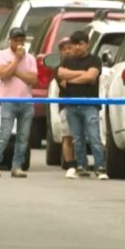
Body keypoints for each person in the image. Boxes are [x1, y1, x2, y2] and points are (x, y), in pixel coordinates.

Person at [56, 30, 107, 180]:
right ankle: (82, 166)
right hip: (71, 104)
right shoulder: (66, 60)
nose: (77, 47)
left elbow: (91, 76)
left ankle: (100, 167)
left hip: (90, 104)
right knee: (77, 139)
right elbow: (60, 74)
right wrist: (82, 74)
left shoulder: (95, 60)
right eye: (74, 44)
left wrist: (71, 77)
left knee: (94, 137)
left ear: (87, 45)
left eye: (81, 44)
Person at [0, 27, 37, 178]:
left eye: (21, 40)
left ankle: (17, 166)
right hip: (8, 101)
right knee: (5, 134)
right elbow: (3, 75)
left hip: (26, 102)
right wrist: (16, 60)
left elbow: (33, 80)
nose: (19, 43)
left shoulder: (30, 58)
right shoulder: (2, 56)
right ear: (10, 41)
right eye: (16, 40)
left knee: (23, 137)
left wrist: (15, 71)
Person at [55, 37, 76, 173]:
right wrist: (83, 76)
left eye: (69, 48)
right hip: (66, 105)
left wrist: (72, 76)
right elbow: (64, 84)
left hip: (84, 103)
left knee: (81, 137)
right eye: (64, 49)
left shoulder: (84, 63)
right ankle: (70, 164)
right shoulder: (59, 68)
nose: (67, 51)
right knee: (67, 136)